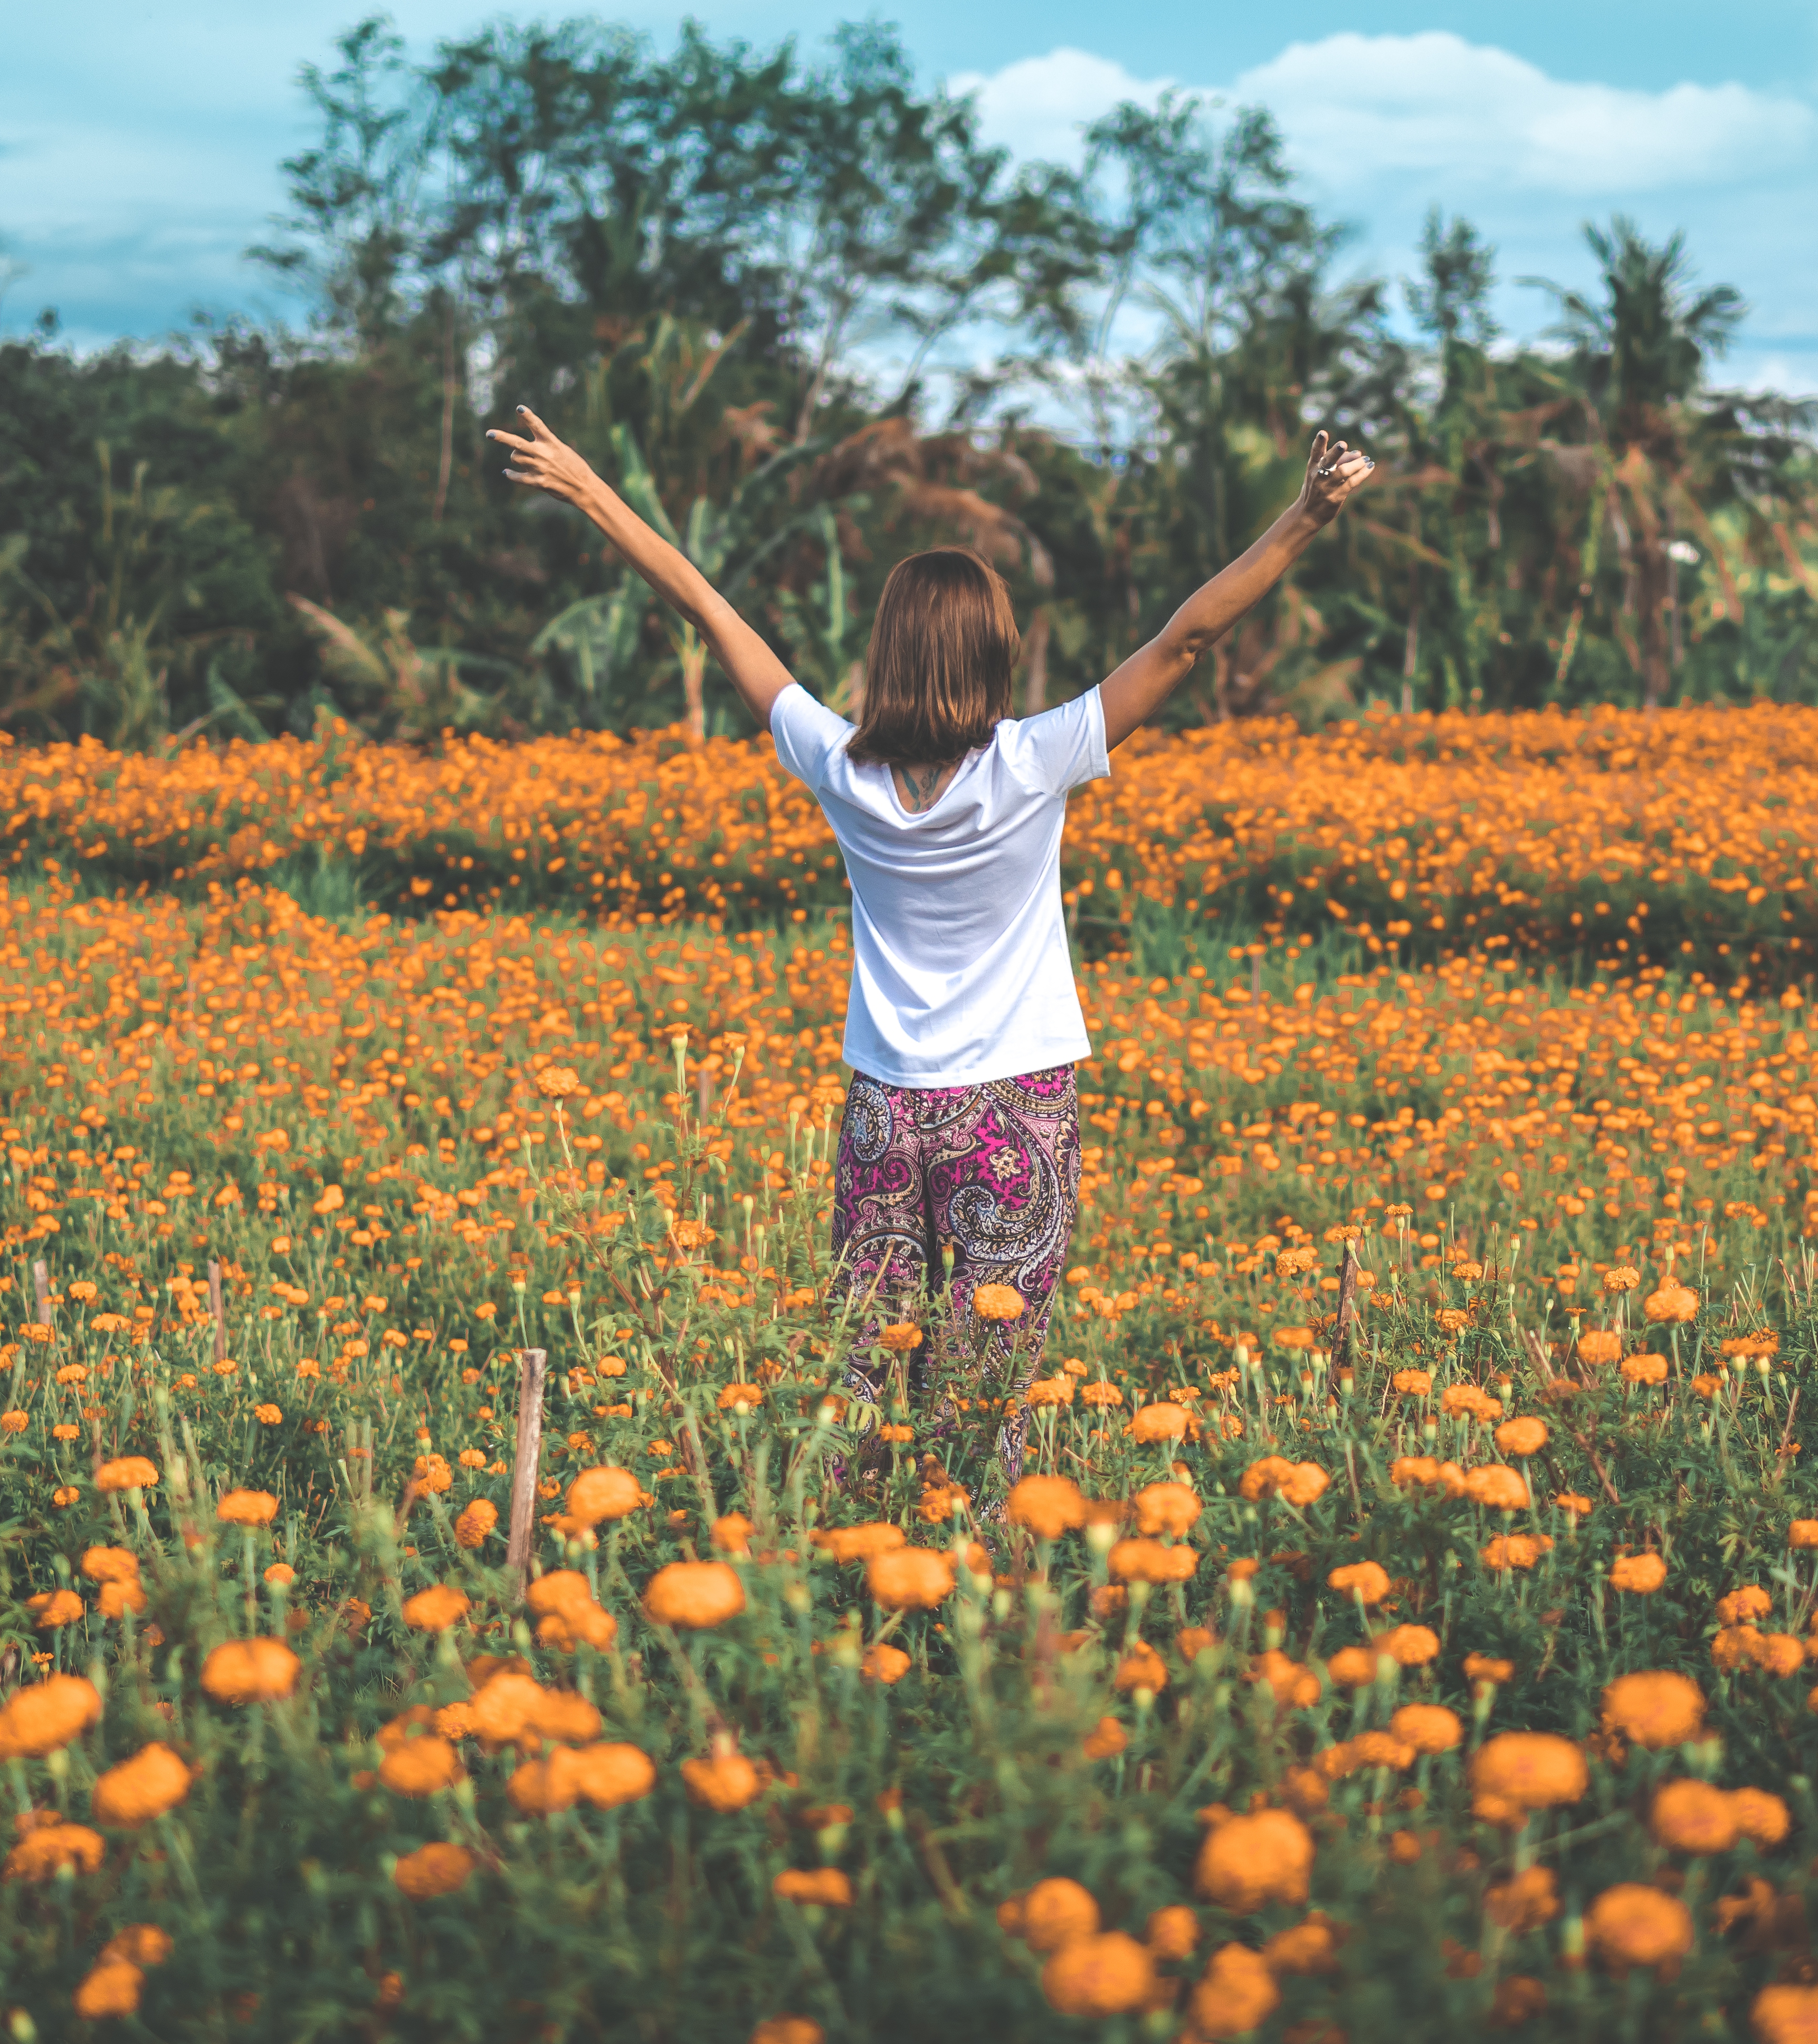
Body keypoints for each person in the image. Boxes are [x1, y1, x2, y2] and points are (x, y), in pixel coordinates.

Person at [485, 406, 1375, 1488]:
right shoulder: (1033, 761)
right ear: (994, 651)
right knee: (982, 1397)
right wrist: (1305, 517)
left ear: (888, 652)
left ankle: (862, 1582)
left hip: (880, 1109)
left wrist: (589, 488)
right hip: (1011, 1110)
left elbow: (705, 606)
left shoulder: (839, 767)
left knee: (866, 1389)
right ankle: (975, 1596)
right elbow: (1188, 637)